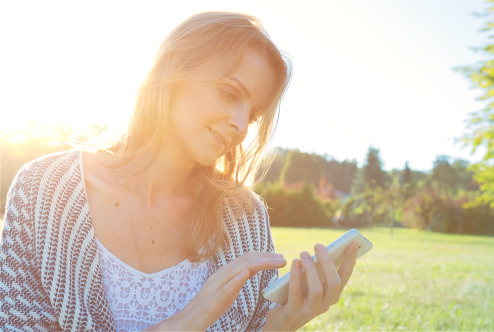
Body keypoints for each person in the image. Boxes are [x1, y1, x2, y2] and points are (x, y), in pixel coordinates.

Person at [0, 11, 359, 331]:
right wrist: (183, 323)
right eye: (229, 94)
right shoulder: (40, 190)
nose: (240, 125)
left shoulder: (245, 218)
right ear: (173, 70)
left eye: (252, 115)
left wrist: (282, 324)